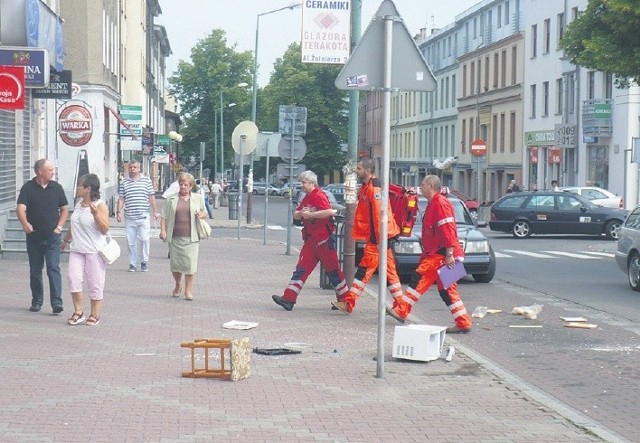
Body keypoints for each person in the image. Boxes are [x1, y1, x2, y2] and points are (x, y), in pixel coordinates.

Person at [386, 175, 473, 333]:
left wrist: (449, 253)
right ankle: (463, 321)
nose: (421, 188)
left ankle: (401, 310)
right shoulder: (437, 202)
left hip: (441, 255)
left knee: (418, 280)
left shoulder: (439, 202)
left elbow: (448, 229)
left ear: (431, 186)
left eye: (423, 185)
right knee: (447, 290)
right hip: (443, 254)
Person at [331, 157, 403, 314]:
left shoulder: (373, 188)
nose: (357, 171)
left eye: (359, 169)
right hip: (382, 238)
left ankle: (348, 303)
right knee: (390, 274)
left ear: (368, 170)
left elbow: (378, 216)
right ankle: (402, 307)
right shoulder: (368, 186)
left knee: (363, 272)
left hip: (378, 239)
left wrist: (378, 240)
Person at [272, 171, 348, 311]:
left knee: (333, 271)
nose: (301, 185)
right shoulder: (307, 197)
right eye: (301, 182)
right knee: (301, 269)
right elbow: (296, 213)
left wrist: (310, 214)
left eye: (304, 182)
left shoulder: (319, 196)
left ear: (312, 183)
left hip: (323, 240)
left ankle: (345, 300)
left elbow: (330, 212)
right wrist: (301, 214)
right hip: (312, 240)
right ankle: (289, 299)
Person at [16, 159, 69, 313]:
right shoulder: (28, 188)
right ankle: (37, 301)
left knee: (53, 268)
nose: (53, 172)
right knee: (35, 270)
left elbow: (64, 209)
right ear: (40, 171)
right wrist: (25, 223)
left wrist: (59, 227)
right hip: (34, 237)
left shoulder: (57, 188)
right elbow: (20, 208)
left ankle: (57, 303)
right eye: (50, 169)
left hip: (53, 237)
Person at [61, 174, 110, 326]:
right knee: (73, 278)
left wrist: (96, 215)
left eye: (79, 186)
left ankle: (95, 314)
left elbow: (104, 229)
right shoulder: (78, 203)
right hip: (77, 249)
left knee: (95, 282)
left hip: (94, 251)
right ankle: (78, 311)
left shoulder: (100, 205)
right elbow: (74, 225)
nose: (77, 188)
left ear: (88, 189)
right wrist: (66, 240)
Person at [159, 173, 207, 301]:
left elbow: (204, 213)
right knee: (176, 266)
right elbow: (163, 216)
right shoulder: (171, 199)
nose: (183, 187)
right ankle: (178, 284)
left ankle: (188, 290)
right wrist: (163, 230)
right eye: (181, 184)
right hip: (175, 237)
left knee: (191, 266)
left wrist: (201, 215)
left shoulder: (197, 198)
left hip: (192, 237)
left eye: (186, 185)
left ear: (191, 186)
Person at [116, 160, 159, 272]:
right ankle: (133, 263)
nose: (132, 169)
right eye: (130, 167)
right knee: (131, 242)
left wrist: (155, 211)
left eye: (135, 167)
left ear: (139, 168)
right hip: (130, 216)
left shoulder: (146, 181)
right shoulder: (124, 182)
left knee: (145, 239)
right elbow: (121, 198)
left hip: (143, 215)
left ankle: (144, 261)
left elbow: (151, 197)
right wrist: (118, 212)